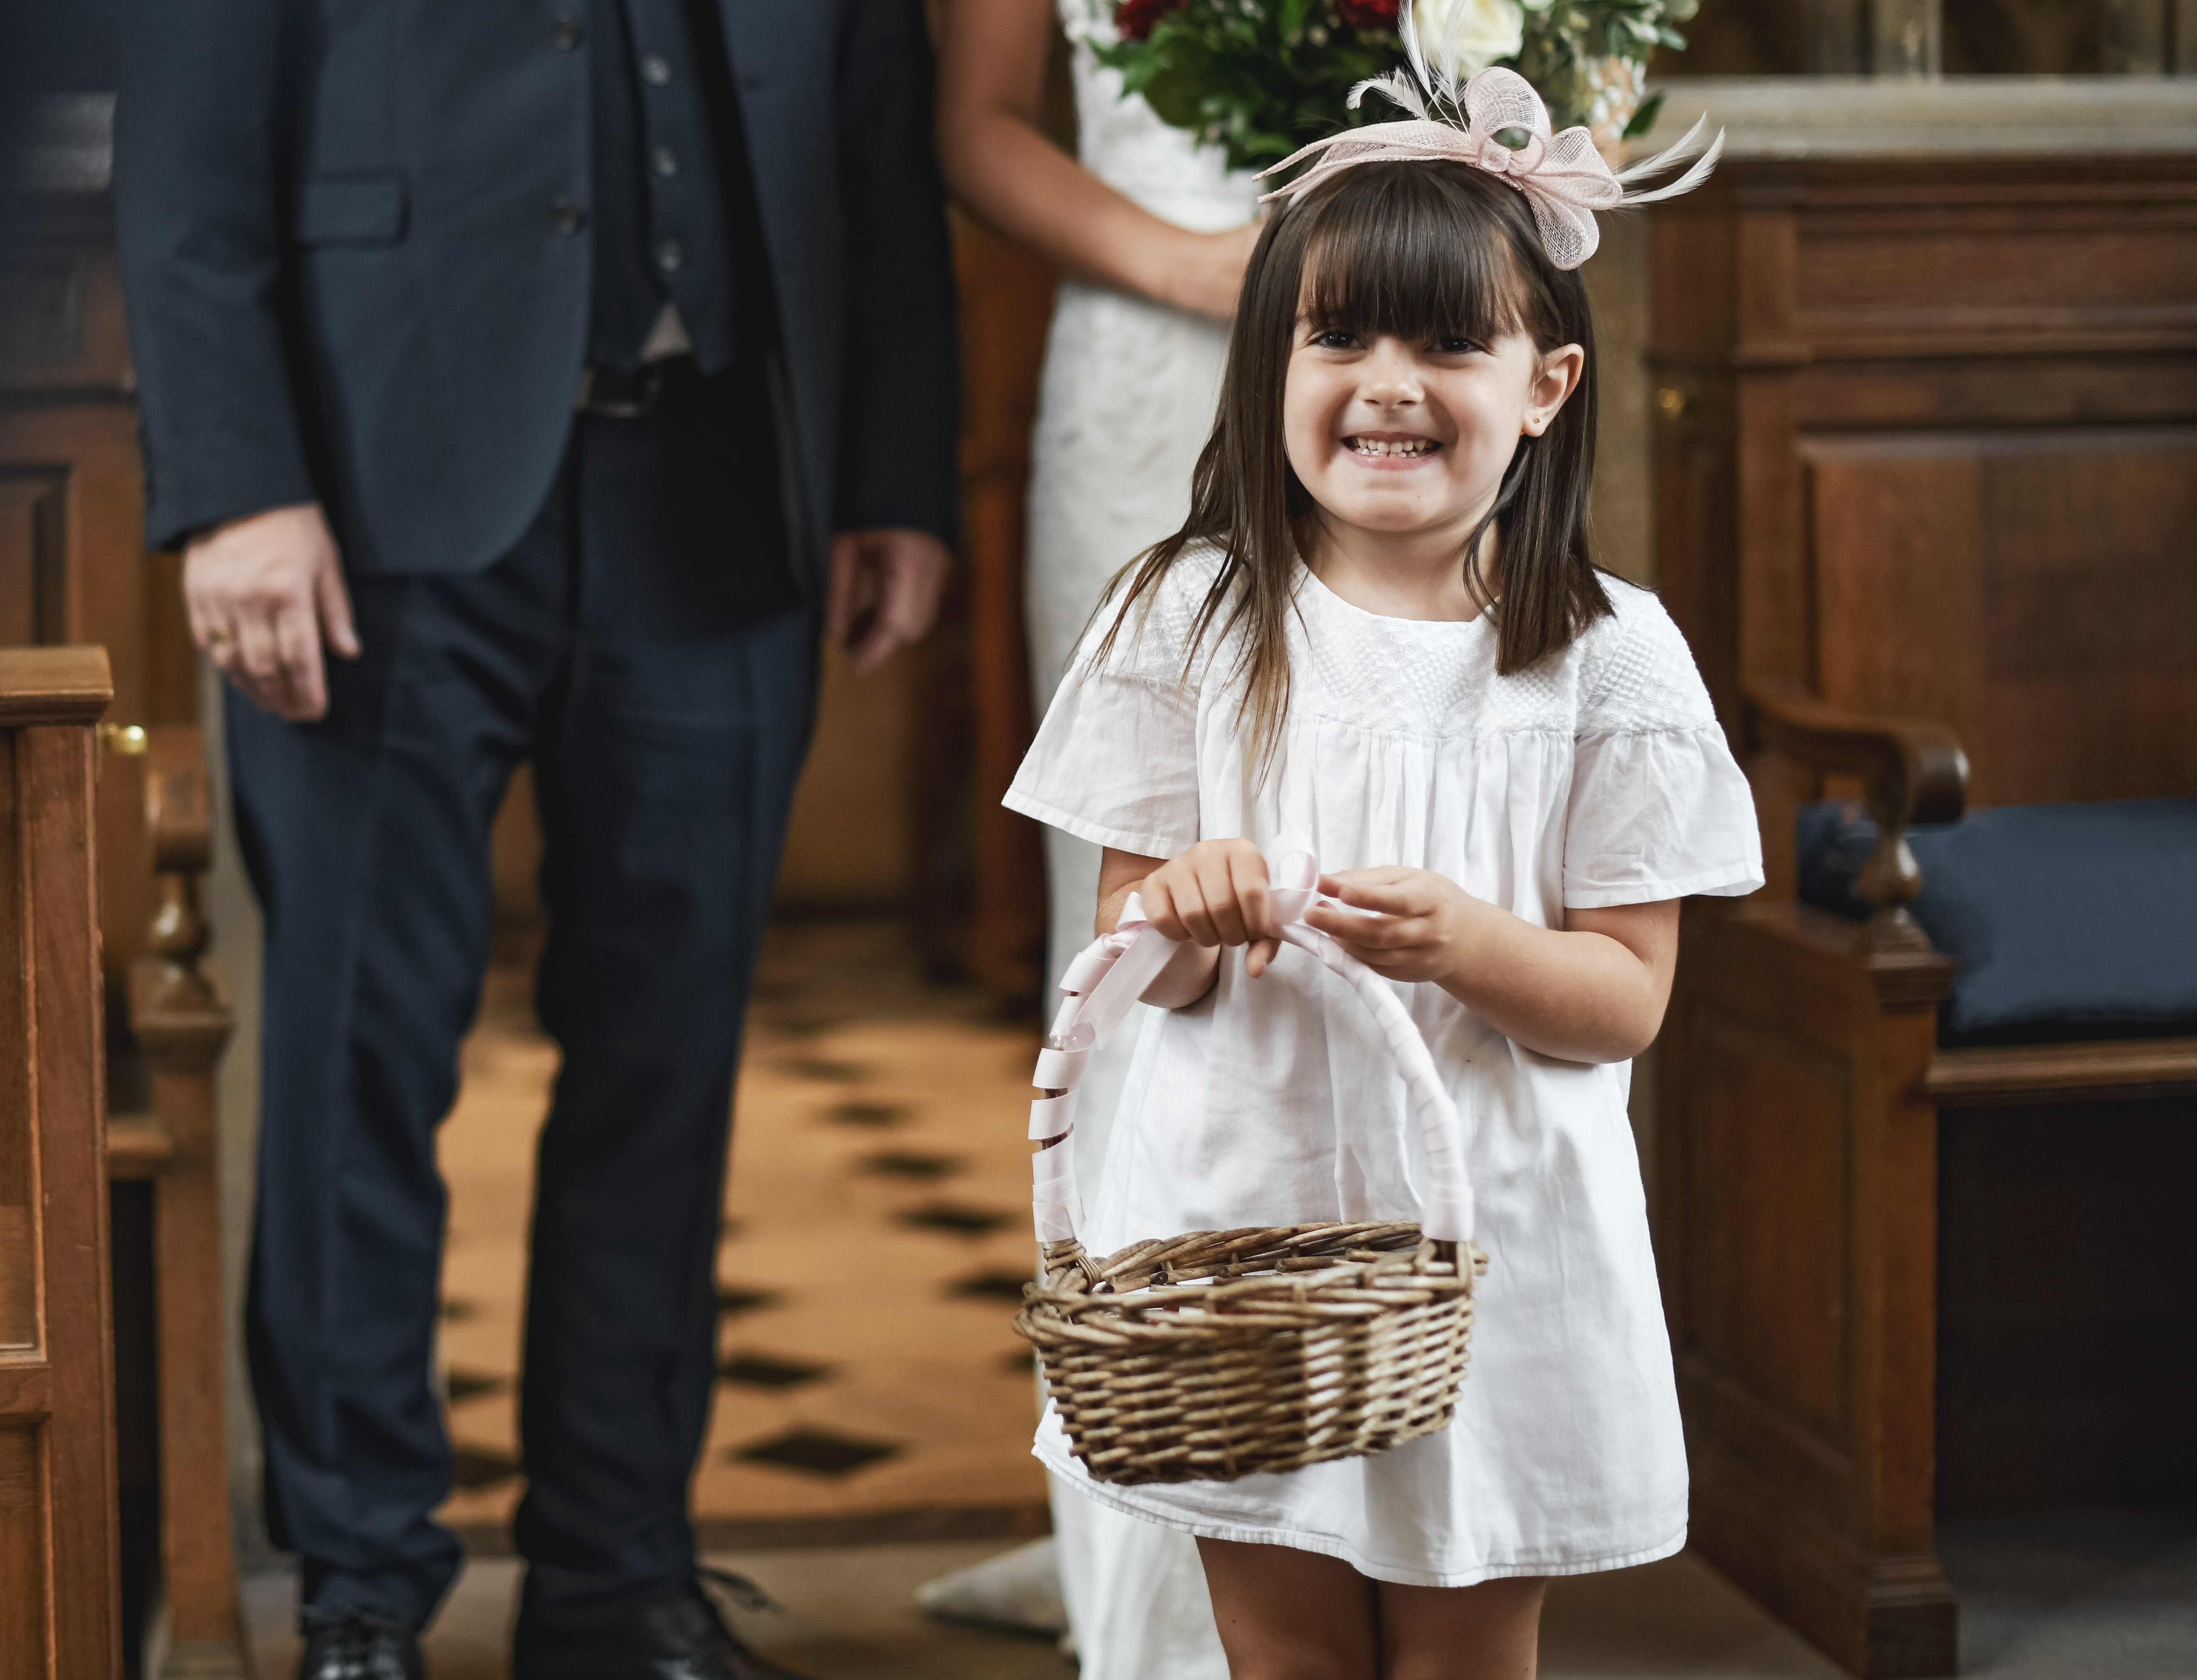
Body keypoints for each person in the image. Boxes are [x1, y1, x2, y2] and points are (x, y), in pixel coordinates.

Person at [111, 2, 958, 1677]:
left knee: (670, 1069)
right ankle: (360, 1586)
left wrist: (896, 472)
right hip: (368, 488)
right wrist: (234, 481)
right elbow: (187, 140)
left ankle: (617, 1575)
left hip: (723, 489)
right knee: (358, 1063)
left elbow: (877, 141)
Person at [1002, 67, 1759, 1679]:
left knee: (1465, 1655)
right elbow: (1135, 948)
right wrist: (1186, 907)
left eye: (1447, 343)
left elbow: (1627, 999)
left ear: (1546, 383)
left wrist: (1474, 942)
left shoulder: (1610, 658)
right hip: (1246, 1231)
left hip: (1495, 1240)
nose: (1387, 385)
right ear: (1268, 364)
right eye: (1337, 336)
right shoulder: (1185, 617)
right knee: (1286, 1657)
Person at [932, 4, 1255, 1669]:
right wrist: (1191, 266)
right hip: (1155, 364)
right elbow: (977, 123)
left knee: (1392, 920)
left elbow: (1583, 92)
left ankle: (1349, 1502)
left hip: (1417, 368)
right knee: (1133, 952)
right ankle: (1135, 1539)